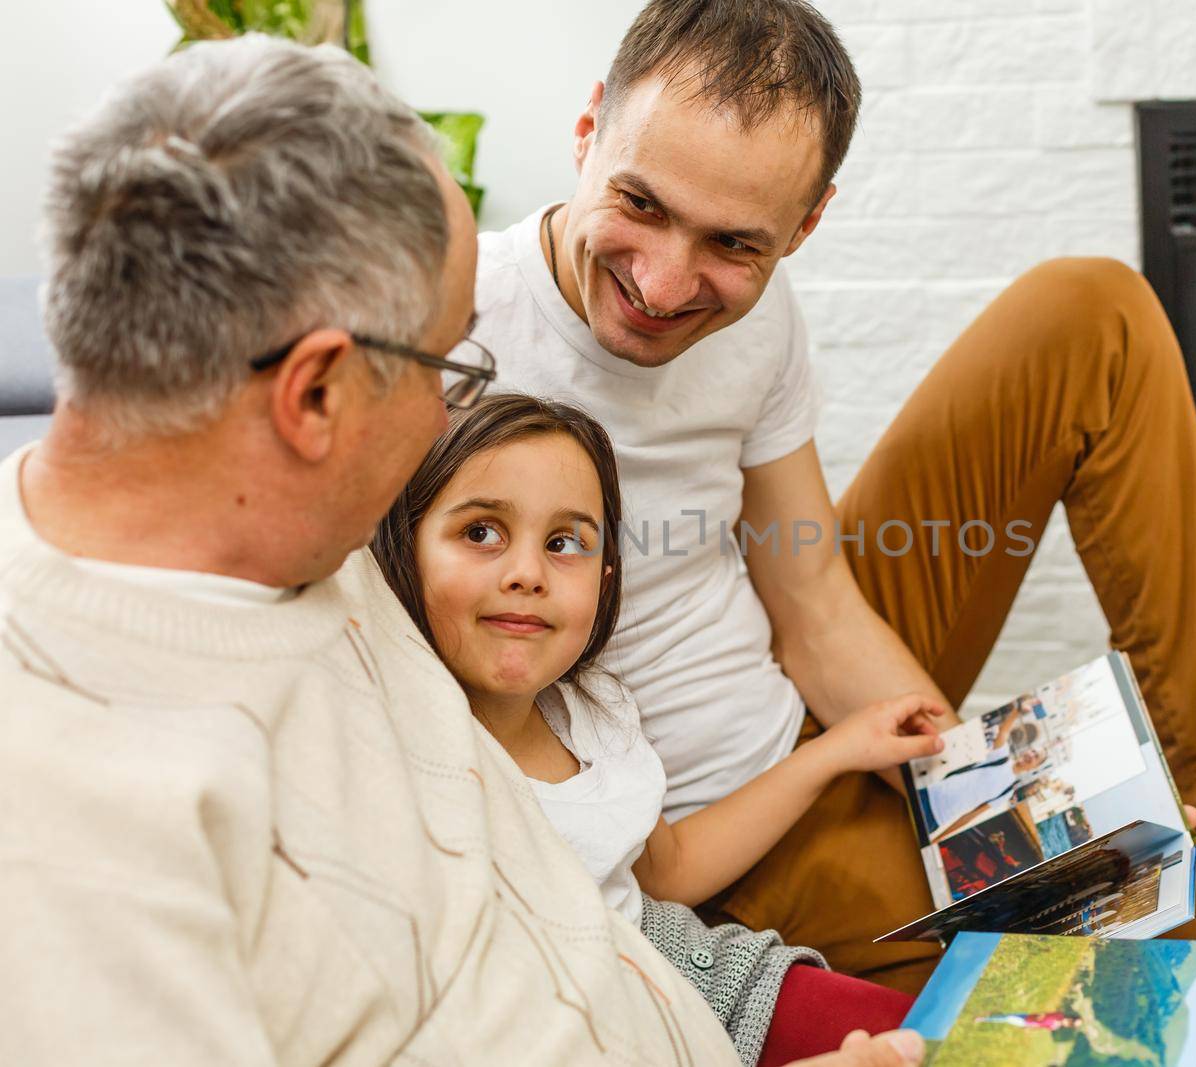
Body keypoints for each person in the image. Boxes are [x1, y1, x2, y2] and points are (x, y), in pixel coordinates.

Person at [477, 0, 1196, 1039]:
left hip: (818, 716)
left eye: (733, 242)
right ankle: (894, 983)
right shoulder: (454, 335)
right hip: (713, 849)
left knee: (1086, 311)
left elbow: (814, 600)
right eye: (640, 204)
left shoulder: (754, 313)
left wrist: (985, 791)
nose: (662, 281)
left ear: (805, 224)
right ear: (587, 129)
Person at [0, 34, 921, 1067]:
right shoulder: (73, 821)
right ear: (315, 394)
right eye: (446, 362)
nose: (455, 406)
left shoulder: (303, 552)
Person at [370, 392, 942, 1063]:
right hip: (612, 1037)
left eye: (564, 543)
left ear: (605, 577)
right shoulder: (406, 754)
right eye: (481, 533)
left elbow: (670, 870)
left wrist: (840, 749)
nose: (526, 574)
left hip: (718, 980)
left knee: (991, 1041)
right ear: (402, 548)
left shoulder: (593, 710)